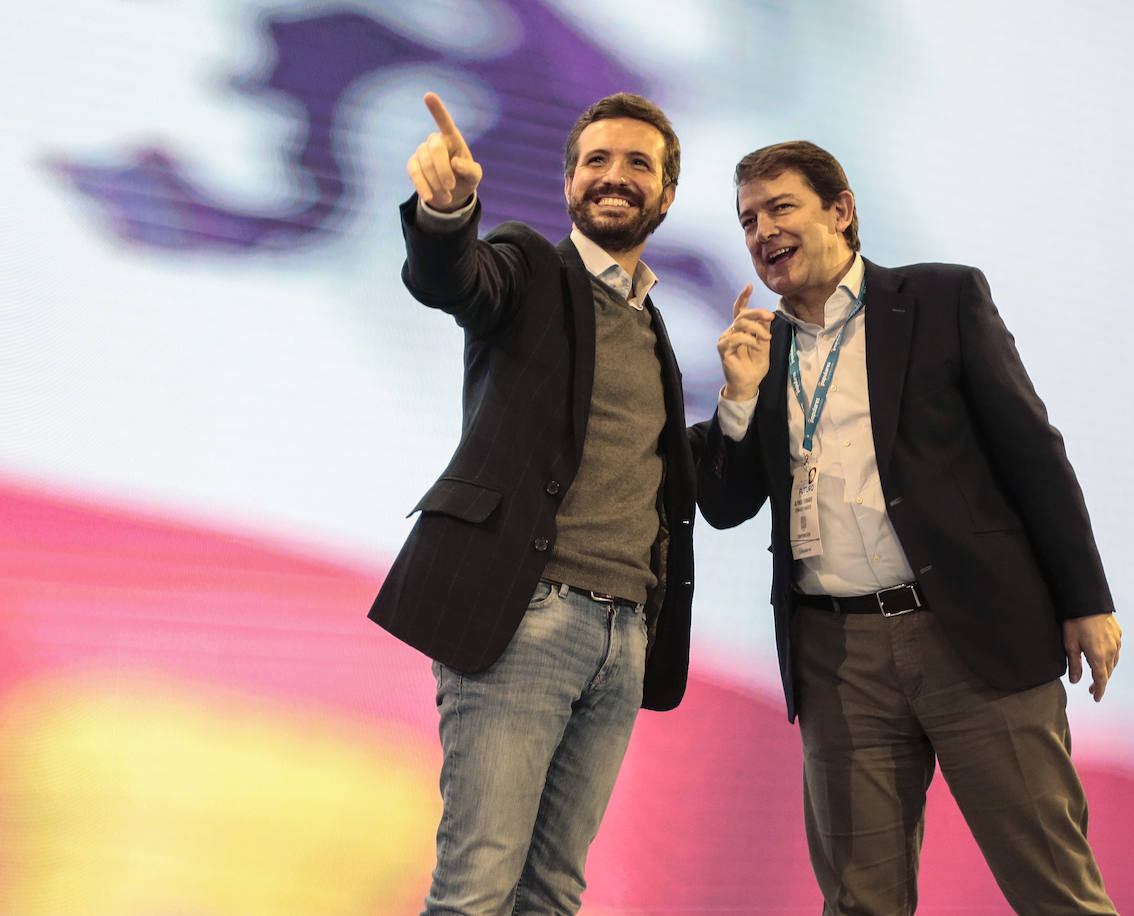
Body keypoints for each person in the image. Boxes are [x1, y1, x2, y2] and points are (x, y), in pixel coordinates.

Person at [698, 140, 1121, 915]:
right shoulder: (761, 350)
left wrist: (1085, 600)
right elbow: (726, 505)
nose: (762, 233)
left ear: (841, 209)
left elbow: (1031, 452)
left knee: (1054, 887)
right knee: (861, 902)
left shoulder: (939, 298)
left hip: (969, 633)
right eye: (748, 219)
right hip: (836, 655)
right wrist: (735, 400)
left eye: (780, 208)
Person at [368, 91, 702, 915]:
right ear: (567, 186)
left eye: (637, 164)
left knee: (552, 892)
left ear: (664, 195)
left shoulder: (655, 328)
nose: (614, 177)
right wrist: (448, 216)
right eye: (596, 160)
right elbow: (457, 280)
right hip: (527, 618)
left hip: (624, 640)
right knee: (479, 883)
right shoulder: (526, 266)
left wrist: (737, 403)